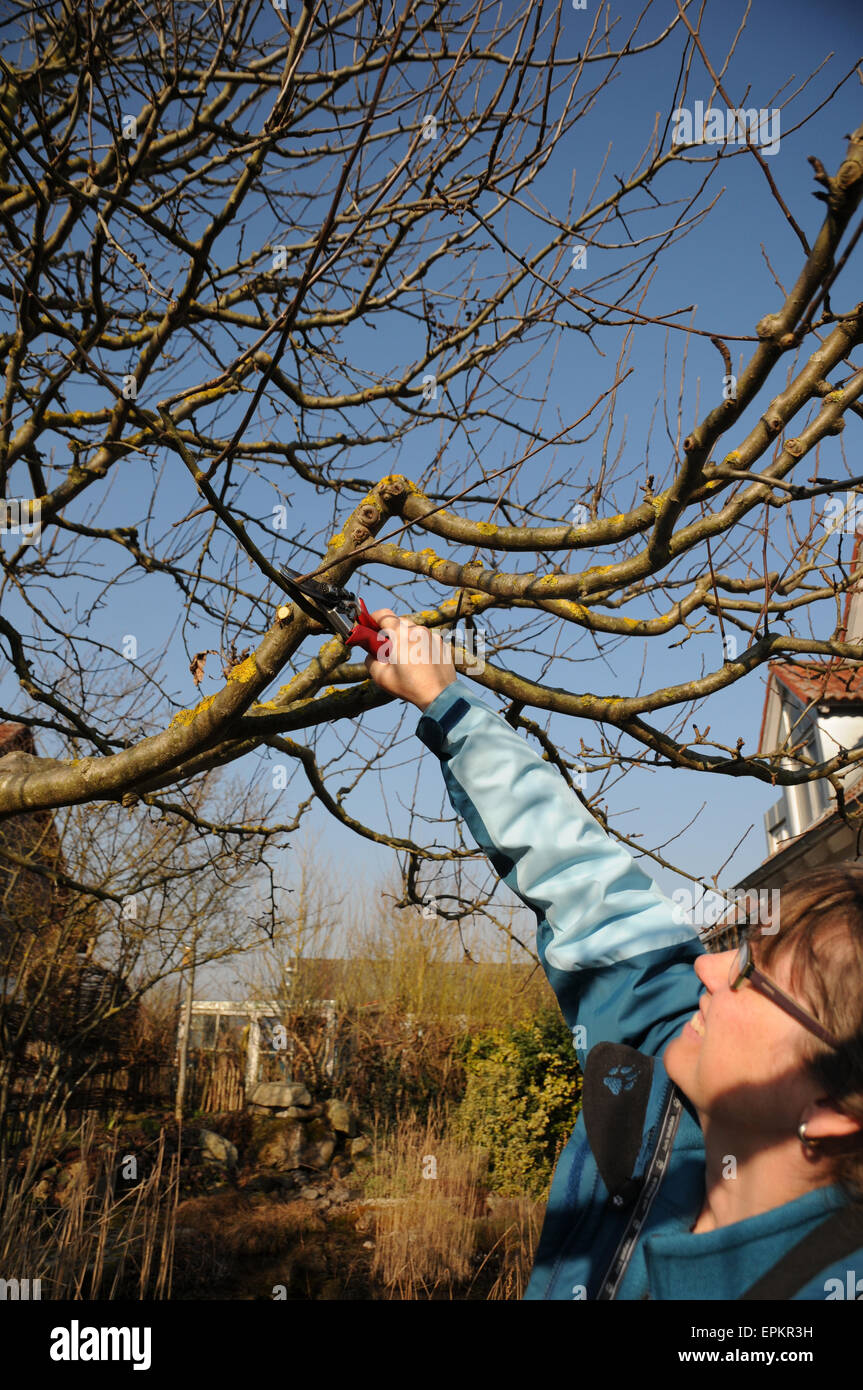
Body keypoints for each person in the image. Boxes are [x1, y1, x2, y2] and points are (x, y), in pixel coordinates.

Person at [365, 610, 863, 1300]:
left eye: (752, 977)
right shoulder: (661, 1062)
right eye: (739, 950)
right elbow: (579, 874)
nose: (707, 966)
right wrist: (446, 703)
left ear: (834, 1112)